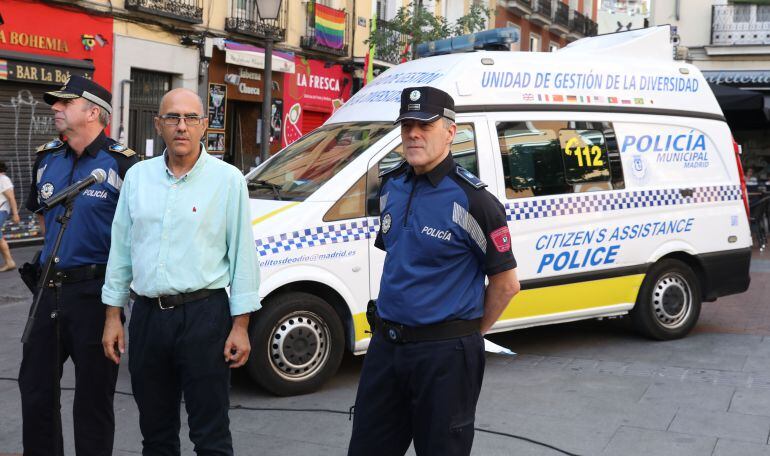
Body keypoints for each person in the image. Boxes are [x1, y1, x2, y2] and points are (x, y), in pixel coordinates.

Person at [348, 86, 521, 456]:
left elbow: (507, 284)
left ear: (450, 132)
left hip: (444, 357)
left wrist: (466, 336)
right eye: (407, 124)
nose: (413, 133)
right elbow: (399, 256)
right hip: (386, 349)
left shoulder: (475, 201)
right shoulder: (391, 186)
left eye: (424, 125)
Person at [101, 88, 260, 455]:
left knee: (211, 434)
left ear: (205, 125)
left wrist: (241, 326)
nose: (182, 126)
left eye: (191, 118)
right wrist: (113, 316)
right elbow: (121, 250)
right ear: (159, 125)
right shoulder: (138, 178)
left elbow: (242, 256)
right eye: (173, 118)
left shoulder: (228, 179)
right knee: (156, 434)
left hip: (205, 316)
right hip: (147, 318)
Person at [19, 75, 137, 456]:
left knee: (93, 400)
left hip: (95, 294)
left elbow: (135, 236)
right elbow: (42, 219)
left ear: (92, 112)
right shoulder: (46, 158)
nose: (55, 108)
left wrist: (115, 310)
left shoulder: (123, 165)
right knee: (35, 391)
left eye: (64, 103)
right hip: (47, 291)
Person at [0, 160, 20, 272]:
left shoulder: (3, 179)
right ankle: (9, 262)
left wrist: (16, 214)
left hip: (1, 210)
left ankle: (10, 262)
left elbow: (11, 198)